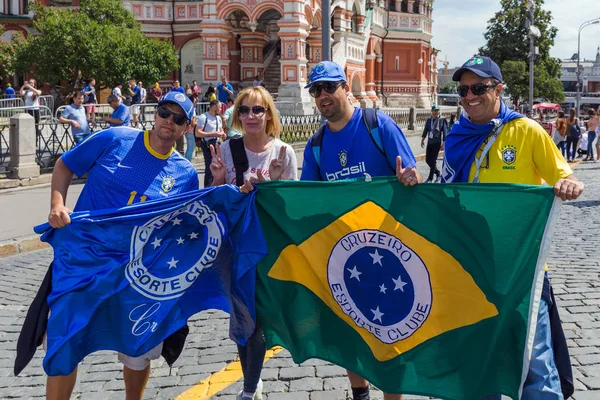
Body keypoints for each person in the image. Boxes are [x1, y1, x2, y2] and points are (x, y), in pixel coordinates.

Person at [443, 55, 584, 400]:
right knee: (480, 361)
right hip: (472, 271)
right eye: (463, 90)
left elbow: (563, 173)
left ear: (498, 89)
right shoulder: (457, 136)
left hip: (522, 271)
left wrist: (570, 184)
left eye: (479, 88)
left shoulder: (527, 131)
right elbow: (446, 196)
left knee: (534, 364)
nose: (469, 96)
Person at [46, 90, 198, 400]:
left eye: (178, 118)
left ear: (187, 127)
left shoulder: (186, 174)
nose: (169, 121)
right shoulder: (115, 138)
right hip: (83, 260)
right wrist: (57, 204)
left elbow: (186, 227)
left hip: (136, 272)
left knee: (137, 348)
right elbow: (65, 164)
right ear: (154, 114)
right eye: (164, 112)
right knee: (64, 341)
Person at [300, 60, 421, 400]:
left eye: (328, 87)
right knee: (351, 333)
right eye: (316, 90)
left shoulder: (377, 125)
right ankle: (360, 395)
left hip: (390, 253)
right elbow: (307, 202)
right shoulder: (316, 145)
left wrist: (410, 178)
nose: (322, 95)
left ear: (346, 88)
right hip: (345, 256)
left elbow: (411, 178)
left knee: (391, 336)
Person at [208, 86, 297, 400]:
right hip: (233, 245)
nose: (250, 116)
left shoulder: (284, 152)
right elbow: (214, 203)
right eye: (244, 110)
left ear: (269, 114)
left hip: (267, 248)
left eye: (257, 110)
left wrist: (272, 186)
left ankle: (248, 389)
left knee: (255, 316)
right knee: (240, 315)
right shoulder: (227, 149)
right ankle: (253, 381)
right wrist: (218, 180)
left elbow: (290, 210)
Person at [196, 99, 226, 187]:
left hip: (217, 144)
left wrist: (223, 134)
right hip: (207, 145)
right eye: (220, 107)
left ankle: (216, 187)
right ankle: (207, 189)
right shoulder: (203, 117)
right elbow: (197, 132)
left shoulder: (218, 118)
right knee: (209, 169)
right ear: (214, 107)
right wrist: (213, 134)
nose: (221, 109)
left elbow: (221, 130)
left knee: (219, 166)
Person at [421, 104, 446, 183]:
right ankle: (438, 172)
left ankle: (430, 178)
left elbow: (445, 132)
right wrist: (423, 139)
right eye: (434, 110)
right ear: (431, 111)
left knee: (433, 160)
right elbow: (426, 129)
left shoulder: (442, 120)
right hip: (430, 142)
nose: (436, 112)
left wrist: (443, 143)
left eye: (437, 110)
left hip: (437, 142)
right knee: (428, 160)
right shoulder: (429, 120)